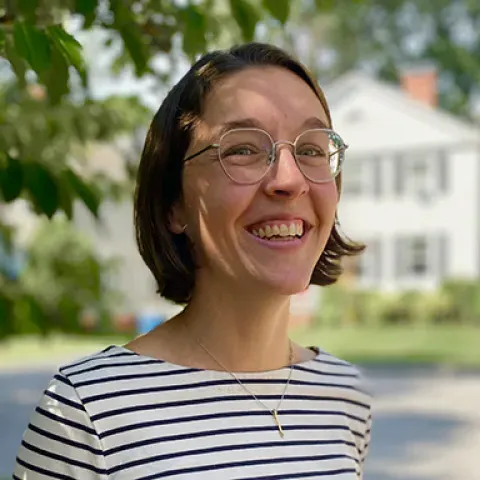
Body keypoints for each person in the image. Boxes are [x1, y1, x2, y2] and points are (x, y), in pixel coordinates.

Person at [14, 42, 372, 479]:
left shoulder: (343, 395)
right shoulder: (89, 410)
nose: (288, 179)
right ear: (174, 205)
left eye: (313, 149)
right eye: (242, 149)